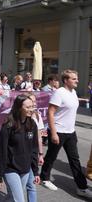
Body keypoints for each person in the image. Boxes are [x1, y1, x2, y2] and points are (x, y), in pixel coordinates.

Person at [40, 70, 92, 199]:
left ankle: (82, 187)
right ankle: (44, 178)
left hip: (70, 132)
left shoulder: (73, 92)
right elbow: (50, 113)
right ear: (66, 80)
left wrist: (83, 99)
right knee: (51, 156)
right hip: (58, 131)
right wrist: (53, 133)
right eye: (74, 79)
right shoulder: (59, 93)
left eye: (77, 78)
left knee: (75, 160)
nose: (77, 81)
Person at [0, 94, 39, 202]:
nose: (31, 109)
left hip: (25, 169)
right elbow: (1, 151)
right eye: (28, 107)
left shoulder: (32, 124)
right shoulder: (9, 125)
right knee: (19, 200)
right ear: (19, 108)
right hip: (10, 169)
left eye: (32, 106)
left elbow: (34, 149)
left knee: (11, 197)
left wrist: (35, 171)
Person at [26, 93, 45, 202]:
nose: (34, 103)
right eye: (31, 101)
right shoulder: (17, 117)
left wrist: (41, 154)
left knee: (31, 186)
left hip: (31, 156)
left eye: (34, 101)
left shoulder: (37, 115)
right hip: (18, 158)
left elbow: (39, 137)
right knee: (15, 192)